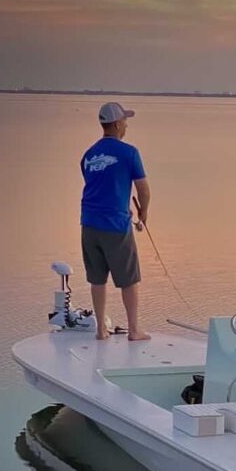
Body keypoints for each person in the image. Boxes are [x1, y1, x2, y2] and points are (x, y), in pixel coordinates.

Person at [80, 101, 151, 340]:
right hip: (115, 226)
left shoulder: (88, 155)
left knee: (97, 279)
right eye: (125, 121)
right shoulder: (129, 152)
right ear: (117, 123)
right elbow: (143, 189)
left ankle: (100, 329)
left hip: (88, 224)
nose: (127, 126)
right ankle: (133, 330)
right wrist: (144, 213)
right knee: (129, 279)